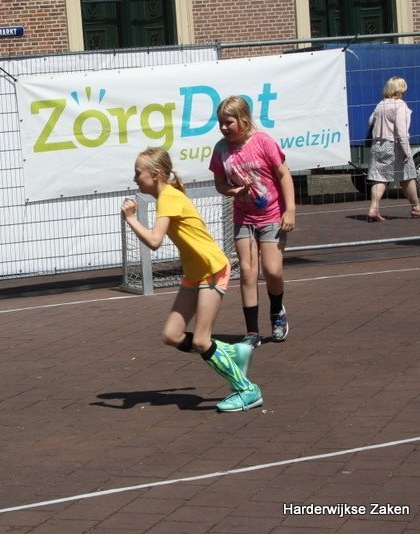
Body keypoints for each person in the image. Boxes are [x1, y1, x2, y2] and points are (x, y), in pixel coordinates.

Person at [121, 147, 262, 413]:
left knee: (200, 340)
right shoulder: (167, 196)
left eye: (138, 173)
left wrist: (130, 218)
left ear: (156, 174)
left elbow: (154, 241)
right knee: (172, 335)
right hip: (195, 273)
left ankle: (247, 390)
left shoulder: (168, 197)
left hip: (211, 269)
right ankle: (234, 353)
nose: (135, 178)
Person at [209, 96, 296, 347]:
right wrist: (235, 191)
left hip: (271, 216)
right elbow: (220, 184)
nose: (224, 127)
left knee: (272, 270)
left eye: (229, 122)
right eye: (221, 123)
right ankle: (252, 331)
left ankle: (277, 311)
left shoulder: (263, 142)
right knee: (248, 272)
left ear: (243, 120)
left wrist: (290, 210)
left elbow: (284, 175)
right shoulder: (221, 149)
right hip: (244, 219)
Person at [366, 76, 420, 221]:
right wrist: (407, 152)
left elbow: (370, 121)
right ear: (401, 89)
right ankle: (416, 208)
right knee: (408, 176)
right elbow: (401, 131)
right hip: (395, 145)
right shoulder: (400, 105)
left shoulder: (381, 104)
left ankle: (373, 209)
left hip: (378, 145)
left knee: (380, 177)